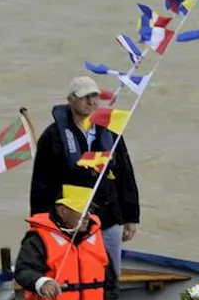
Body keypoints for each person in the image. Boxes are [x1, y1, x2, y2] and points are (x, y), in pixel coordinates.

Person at [29, 76, 140, 279]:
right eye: (85, 97)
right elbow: (41, 184)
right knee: (71, 272)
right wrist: (40, 221)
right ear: (71, 100)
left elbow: (126, 175)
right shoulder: (53, 136)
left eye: (95, 96)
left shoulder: (111, 132)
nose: (92, 102)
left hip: (108, 217)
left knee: (112, 272)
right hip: (70, 220)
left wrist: (131, 216)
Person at [14, 184, 144, 300]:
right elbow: (23, 271)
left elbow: (111, 282)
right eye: (82, 210)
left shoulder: (95, 237)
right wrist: (42, 282)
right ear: (63, 211)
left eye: (89, 209)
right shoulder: (37, 238)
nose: (88, 215)